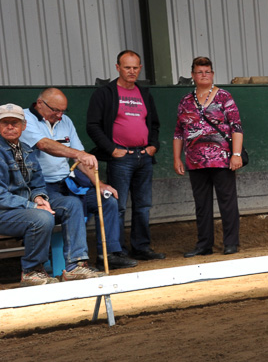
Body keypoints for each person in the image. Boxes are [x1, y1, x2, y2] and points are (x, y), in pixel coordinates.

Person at [20, 88, 137, 270]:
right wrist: (78, 154)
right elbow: (44, 144)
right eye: (55, 110)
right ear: (40, 103)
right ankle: (76, 264)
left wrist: (98, 184)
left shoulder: (65, 121)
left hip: (66, 183)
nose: (60, 115)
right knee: (71, 204)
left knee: (107, 200)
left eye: (63, 111)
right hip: (40, 189)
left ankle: (108, 254)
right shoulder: (24, 120)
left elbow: (80, 157)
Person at [0, 104, 103, 285]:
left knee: (72, 204)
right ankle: (32, 271)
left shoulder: (27, 150)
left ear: (23, 126)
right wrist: (33, 206)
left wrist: (40, 198)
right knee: (41, 217)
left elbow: (38, 183)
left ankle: (75, 266)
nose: (10, 127)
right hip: (5, 212)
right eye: (4, 123)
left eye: (14, 123)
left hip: (26, 207)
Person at [86, 50, 165, 261]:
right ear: (118, 67)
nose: (132, 71)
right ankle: (117, 251)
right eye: (127, 67)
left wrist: (153, 146)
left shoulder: (145, 93)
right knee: (118, 206)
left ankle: (141, 248)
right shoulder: (105, 93)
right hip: (120, 159)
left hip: (144, 157)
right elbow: (93, 126)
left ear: (140, 68)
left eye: (135, 67)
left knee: (143, 206)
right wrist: (111, 149)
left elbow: (155, 124)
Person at [172, 57, 244, 257]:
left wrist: (236, 154)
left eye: (207, 71)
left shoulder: (224, 96)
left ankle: (231, 243)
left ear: (212, 74)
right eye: (199, 72)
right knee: (202, 204)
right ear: (193, 75)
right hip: (195, 161)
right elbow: (179, 132)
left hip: (222, 159)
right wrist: (177, 158)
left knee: (227, 202)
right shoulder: (186, 101)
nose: (204, 75)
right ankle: (204, 244)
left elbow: (236, 127)